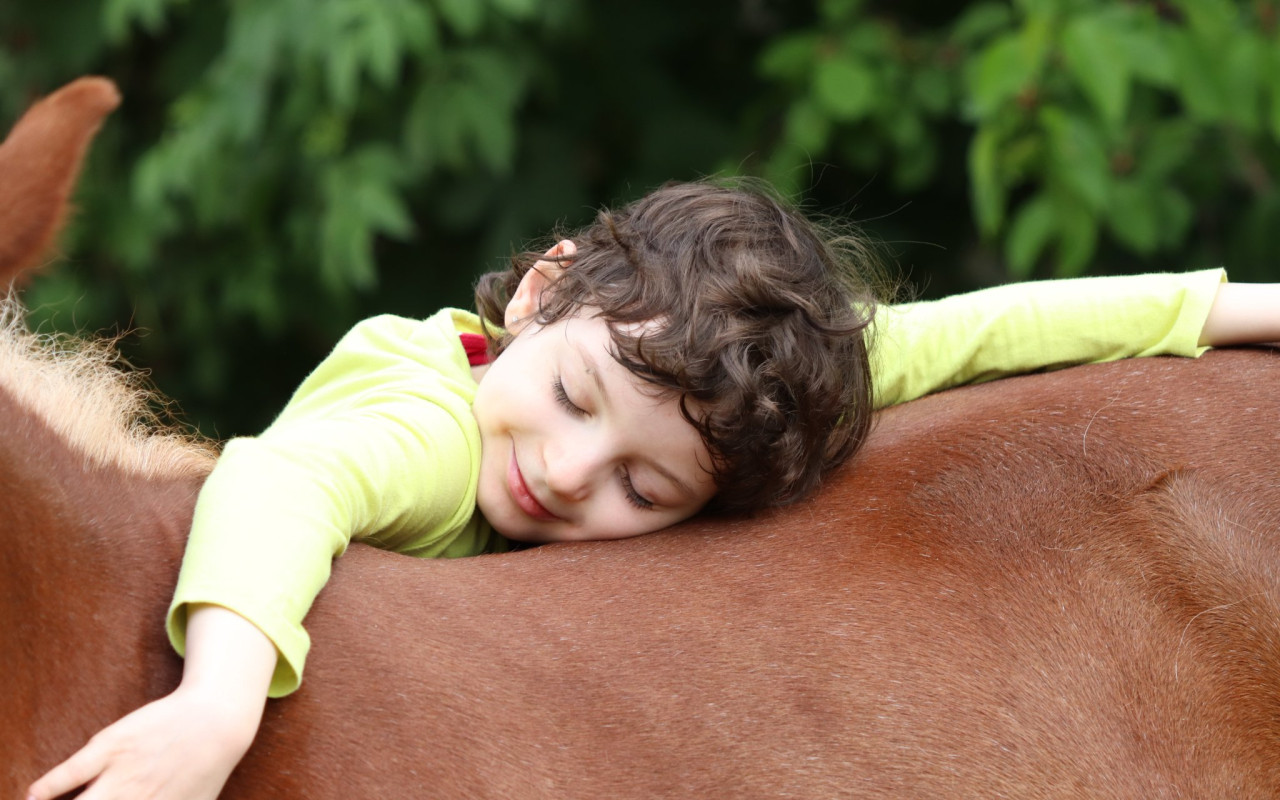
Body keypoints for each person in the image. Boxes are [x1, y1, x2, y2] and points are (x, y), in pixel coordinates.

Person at [27, 179, 1280, 800]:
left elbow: (967, 333)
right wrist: (218, 701)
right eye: (574, 402)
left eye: (643, 482)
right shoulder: (434, 425)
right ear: (535, 294)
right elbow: (279, 483)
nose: (569, 473)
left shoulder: (713, 393)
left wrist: (1241, 308)